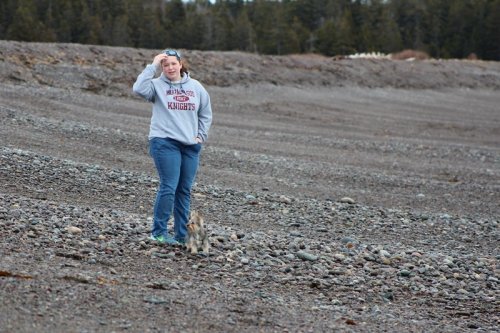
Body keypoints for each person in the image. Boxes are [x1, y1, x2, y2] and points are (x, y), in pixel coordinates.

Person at [133, 49, 212, 245]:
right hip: (165, 142)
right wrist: (152, 65)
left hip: (190, 145)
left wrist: (200, 136)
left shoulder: (195, 87)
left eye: (173, 64)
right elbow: (138, 89)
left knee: (183, 189)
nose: (169, 67)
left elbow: (205, 113)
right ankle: (159, 232)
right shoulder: (156, 86)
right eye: (165, 64)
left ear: (180, 64)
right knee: (169, 186)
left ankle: (180, 235)